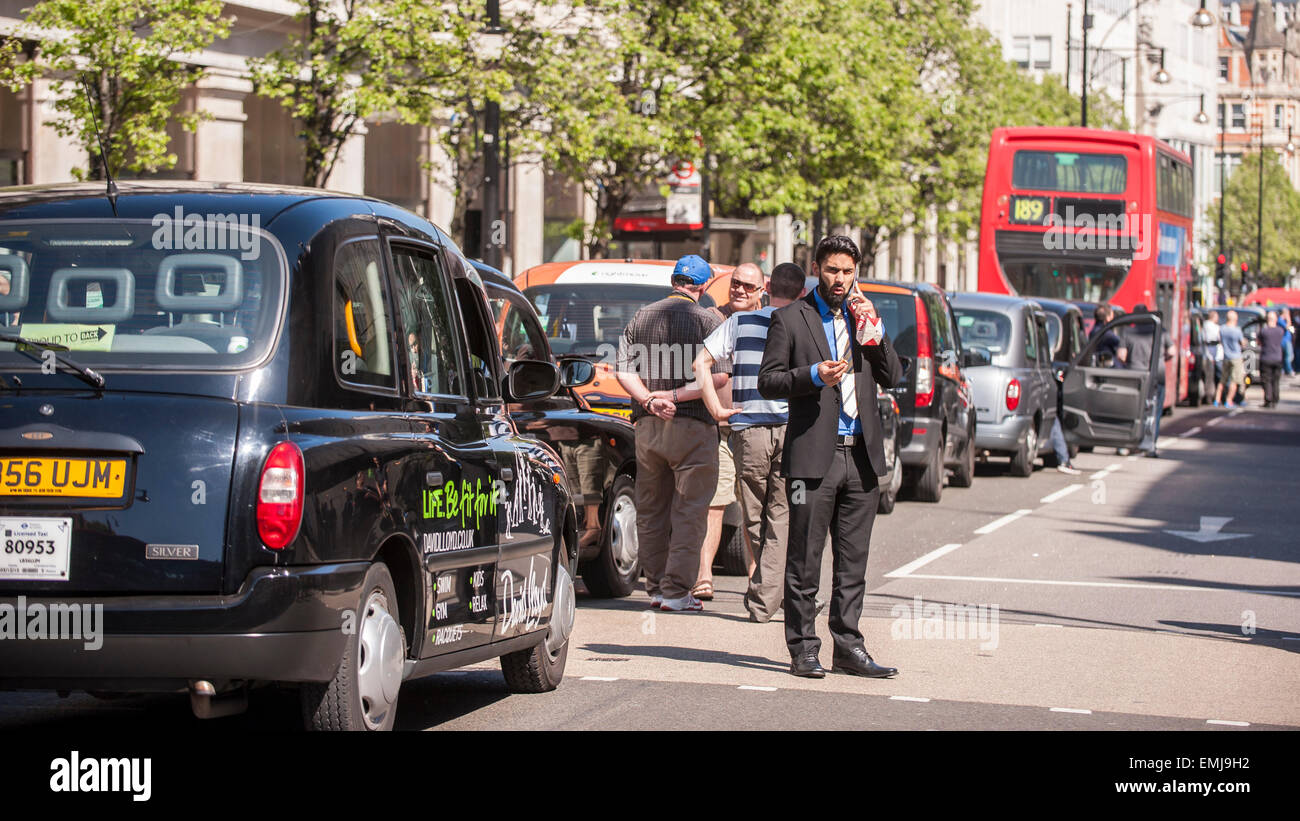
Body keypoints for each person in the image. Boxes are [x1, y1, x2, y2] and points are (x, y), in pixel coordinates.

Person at [758, 235, 902, 679]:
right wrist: (812, 375)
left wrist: (873, 335)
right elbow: (769, 381)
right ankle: (803, 648)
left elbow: (894, 376)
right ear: (817, 268)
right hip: (812, 458)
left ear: (857, 272)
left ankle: (849, 646)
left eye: (848, 271)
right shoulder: (790, 318)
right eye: (832, 270)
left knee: (853, 561)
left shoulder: (864, 316)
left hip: (860, 457)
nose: (840, 279)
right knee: (804, 559)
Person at [695, 262, 807, 622]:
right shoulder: (805, 323)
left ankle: (764, 596)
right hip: (791, 427)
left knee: (756, 516)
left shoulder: (739, 324)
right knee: (782, 513)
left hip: (749, 430)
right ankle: (774, 594)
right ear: (802, 292)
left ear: (767, 287)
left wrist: (715, 409)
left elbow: (700, 363)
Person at [615, 254, 725, 612]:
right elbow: (719, 376)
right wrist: (675, 396)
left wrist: (650, 400)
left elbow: (622, 371)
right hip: (694, 426)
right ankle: (678, 592)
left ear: (674, 280)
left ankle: (657, 589)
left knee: (652, 510)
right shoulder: (709, 320)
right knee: (690, 512)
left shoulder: (641, 317)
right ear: (703, 286)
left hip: (649, 427)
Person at [690, 263, 766, 601]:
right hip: (720, 428)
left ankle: (757, 577)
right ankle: (704, 575)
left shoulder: (772, 321)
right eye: (736, 283)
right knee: (715, 503)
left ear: (761, 291)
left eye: (748, 287)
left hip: (757, 428)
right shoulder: (713, 318)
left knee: (755, 506)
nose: (739, 290)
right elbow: (700, 368)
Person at [1117, 305, 1174, 457]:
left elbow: (1121, 355)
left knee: (1133, 410)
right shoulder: (1160, 330)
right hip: (1157, 374)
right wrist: (1161, 359)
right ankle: (1150, 446)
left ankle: (1128, 444)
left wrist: (1130, 361)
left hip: (1135, 375)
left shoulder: (1127, 331)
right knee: (1154, 410)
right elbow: (1172, 351)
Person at [1216, 310, 1246, 408]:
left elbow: (1219, 340)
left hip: (1226, 356)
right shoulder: (1237, 330)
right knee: (1234, 380)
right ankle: (1229, 400)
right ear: (1235, 319)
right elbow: (1242, 343)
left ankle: (1217, 399)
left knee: (1223, 380)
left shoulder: (1222, 329)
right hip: (1236, 357)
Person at [1258, 311, 1285, 408]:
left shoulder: (1264, 331)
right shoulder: (1280, 331)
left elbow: (1259, 342)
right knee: (1276, 380)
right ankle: (1275, 398)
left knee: (1266, 380)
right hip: (1277, 358)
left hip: (1266, 358)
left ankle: (1268, 399)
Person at [1203, 310, 1222, 400]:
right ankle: (1211, 395)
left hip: (1210, 349)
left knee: (1209, 374)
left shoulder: (1205, 325)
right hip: (1211, 349)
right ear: (1213, 317)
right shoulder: (1212, 326)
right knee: (1213, 374)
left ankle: (1210, 395)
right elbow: (1218, 337)